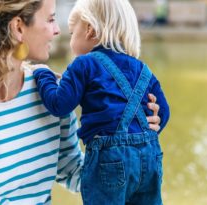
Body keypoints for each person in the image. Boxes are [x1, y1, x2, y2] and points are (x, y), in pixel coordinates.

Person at [0, 0, 161, 204]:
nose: (57, 30)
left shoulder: (50, 93)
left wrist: (131, 129)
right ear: (18, 27)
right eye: (50, 19)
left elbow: (76, 171)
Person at [31, 0, 170, 204]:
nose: (70, 41)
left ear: (89, 30)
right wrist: (151, 126)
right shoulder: (143, 69)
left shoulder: (84, 64)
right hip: (150, 157)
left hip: (110, 161)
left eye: (72, 33)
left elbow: (59, 105)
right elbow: (163, 114)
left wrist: (42, 73)